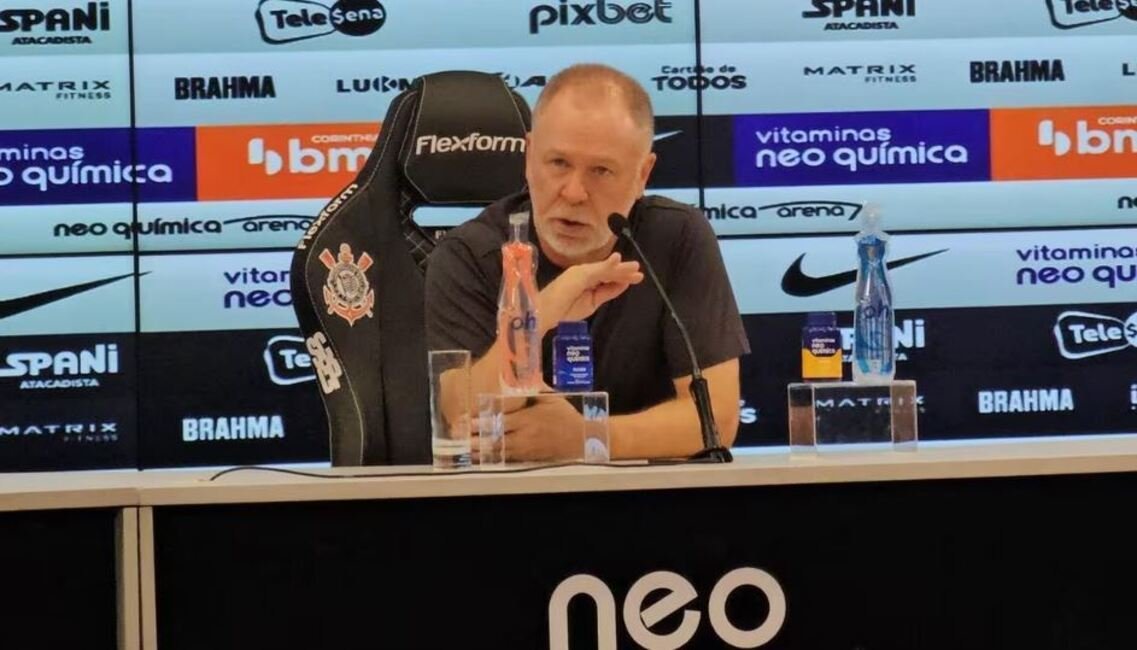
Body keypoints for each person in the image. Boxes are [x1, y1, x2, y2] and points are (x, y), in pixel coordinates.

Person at [424, 63, 749, 460]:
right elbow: (463, 415)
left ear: (643, 174)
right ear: (528, 158)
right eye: (558, 163)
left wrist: (588, 439)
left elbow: (716, 419)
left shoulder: (677, 237)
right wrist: (538, 313)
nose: (575, 192)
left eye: (601, 171)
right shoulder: (470, 254)